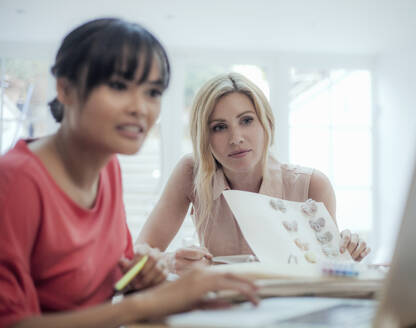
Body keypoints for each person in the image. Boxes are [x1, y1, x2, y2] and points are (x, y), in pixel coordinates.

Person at [0, 19, 258, 328]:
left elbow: (120, 273)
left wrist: (146, 278)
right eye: (119, 86)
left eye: (152, 92)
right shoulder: (14, 183)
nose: (141, 108)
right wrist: (150, 302)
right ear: (66, 88)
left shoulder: (107, 168)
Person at [137, 72, 371, 275]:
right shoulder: (191, 172)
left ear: (266, 122)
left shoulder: (312, 185)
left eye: (246, 120)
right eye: (219, 127)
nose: (236, 138)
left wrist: (347, 255)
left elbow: (325, 268)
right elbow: (139, 253)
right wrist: (170, 262)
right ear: (204, 137)